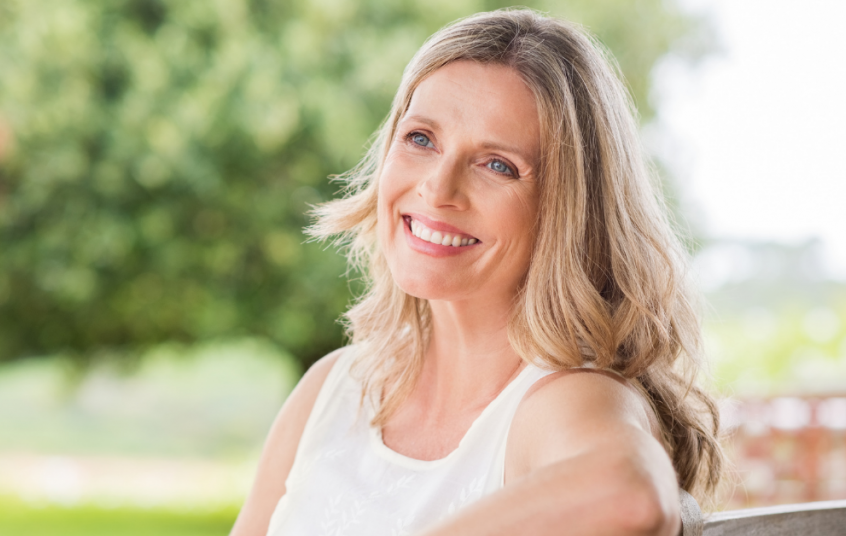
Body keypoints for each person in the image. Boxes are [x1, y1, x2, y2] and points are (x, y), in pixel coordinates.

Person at [231, 9, 722, 536]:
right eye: (420, 139)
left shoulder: (563, 399)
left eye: (498, 165)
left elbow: (632, 498)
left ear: (567, 209)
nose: (438, 190)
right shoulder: (332, 388)